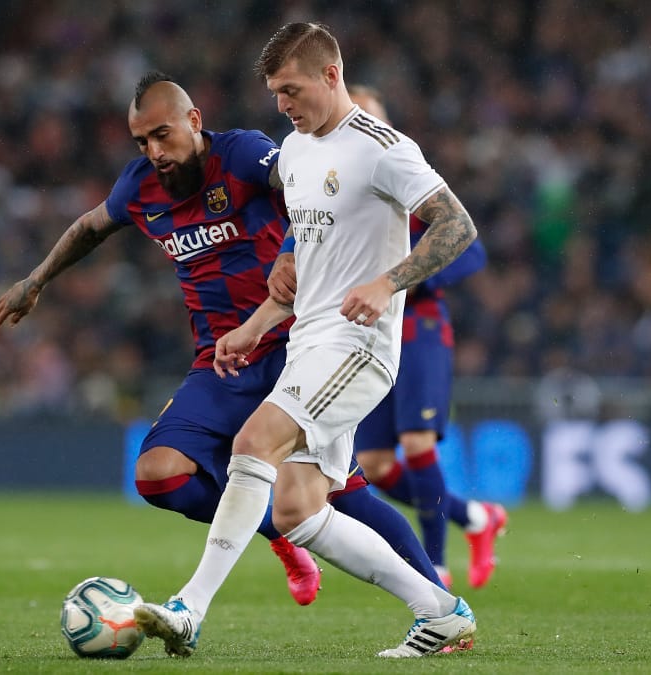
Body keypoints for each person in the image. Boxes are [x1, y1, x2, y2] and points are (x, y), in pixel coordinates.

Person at [0, 72, 443, 608]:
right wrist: (35, 280)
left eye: (163, 135)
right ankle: (277, 534)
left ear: (194, 120)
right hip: (220, 361)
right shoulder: (139, 187)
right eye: (142, 141)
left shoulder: (243, 154)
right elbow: (89, 227)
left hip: (295, 346)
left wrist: (291, 250)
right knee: (157, 476)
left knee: (343, 495)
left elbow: (308, 185)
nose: (154, 152)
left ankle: (439, 603)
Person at [133, 23, 480, 659]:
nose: (281, 104)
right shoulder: (293, 152)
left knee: (253, 443)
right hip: (306, 341)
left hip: (358, 347)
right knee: (297, 511)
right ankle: (441, 611)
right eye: (274, 92)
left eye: (290, 89)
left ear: (330, 75)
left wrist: (388, 282)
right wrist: (254, 325)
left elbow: (457, 225)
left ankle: (190, 608)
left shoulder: (382, 148)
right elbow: (309, 272)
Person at [267, 85, 507, 591]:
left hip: (416, 329)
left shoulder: (400, 172)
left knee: (417, 443)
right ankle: (475, 517)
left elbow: (471, 247)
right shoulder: (329, 177)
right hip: (352, 329)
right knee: (373, 464)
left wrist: (413, 279)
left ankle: (436, 564)